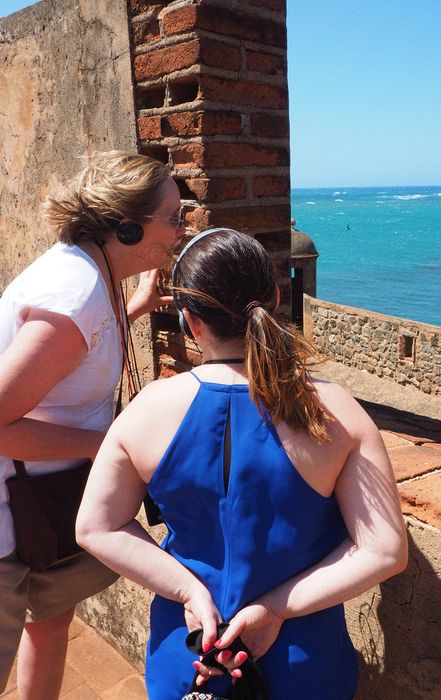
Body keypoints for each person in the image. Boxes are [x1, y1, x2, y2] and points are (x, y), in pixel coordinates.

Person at [76, 228, 408, 700]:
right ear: (274, 297)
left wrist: (190, 593)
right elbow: (385, 551)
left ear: (190, 321)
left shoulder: (146, 411)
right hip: (304, 663)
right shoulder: (335, 409)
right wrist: (273, 610)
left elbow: (95, 528)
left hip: (191, 654)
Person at [0, 150, 186, 700]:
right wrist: (108, 443)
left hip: (45, 500)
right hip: (12, 516)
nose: (181, 229)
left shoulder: (89, 274)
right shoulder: (74, 295)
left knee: (51, 622)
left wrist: (133, 308)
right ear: (127, 228)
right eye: (173, 217)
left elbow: (73, 358)